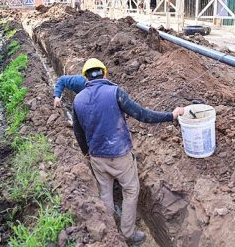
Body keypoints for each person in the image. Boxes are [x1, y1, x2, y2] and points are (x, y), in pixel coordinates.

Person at [72, 58, 185, 245]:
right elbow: (142, 115)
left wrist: (87, 153)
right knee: (131, 191)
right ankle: (127, 233)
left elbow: (78, 132)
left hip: (97, 157)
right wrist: (170, 115)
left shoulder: (77, 100)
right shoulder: (115, 92)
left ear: (85, 78)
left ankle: (109, 234)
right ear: (104, 73)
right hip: (121, 155)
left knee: (105, 193)